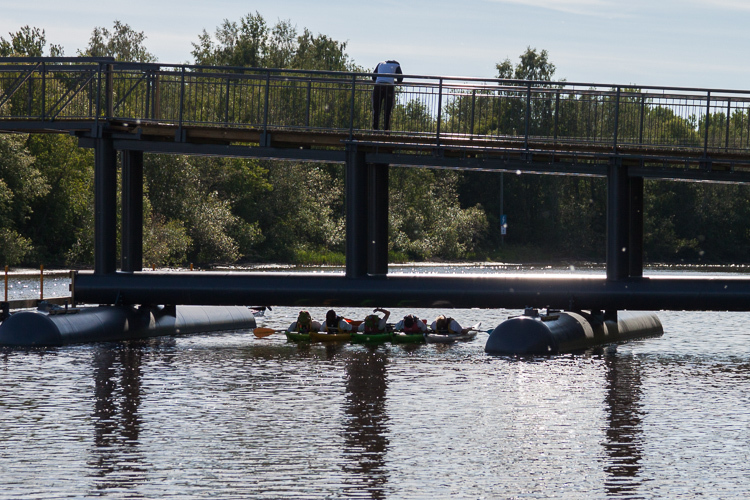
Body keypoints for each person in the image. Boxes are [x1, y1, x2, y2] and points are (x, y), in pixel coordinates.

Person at [371, 60, 403, 130]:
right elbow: (400, 79)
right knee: (387, 110)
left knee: (376, 109)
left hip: (378, 86)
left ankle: (375, 129)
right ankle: (386, 130)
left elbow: (373, 77)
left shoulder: (380, 64)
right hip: (389, 87)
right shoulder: (396, 65)